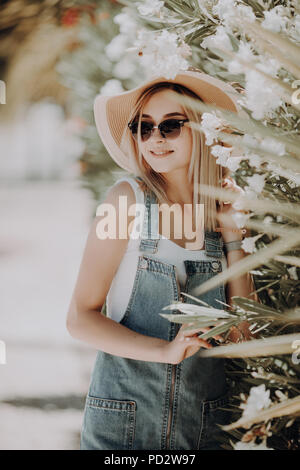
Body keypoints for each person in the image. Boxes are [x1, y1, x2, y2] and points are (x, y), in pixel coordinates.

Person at [66, 67, 257, 450]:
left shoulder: (223, 210)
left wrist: (235, 234)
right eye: (143, 126)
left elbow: (242, 335)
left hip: (205, 425)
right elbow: (79, 319)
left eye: (170, 126)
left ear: (200, 129)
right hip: (123, 422)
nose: (155, 138)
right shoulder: (125, 201)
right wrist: (164, 351)